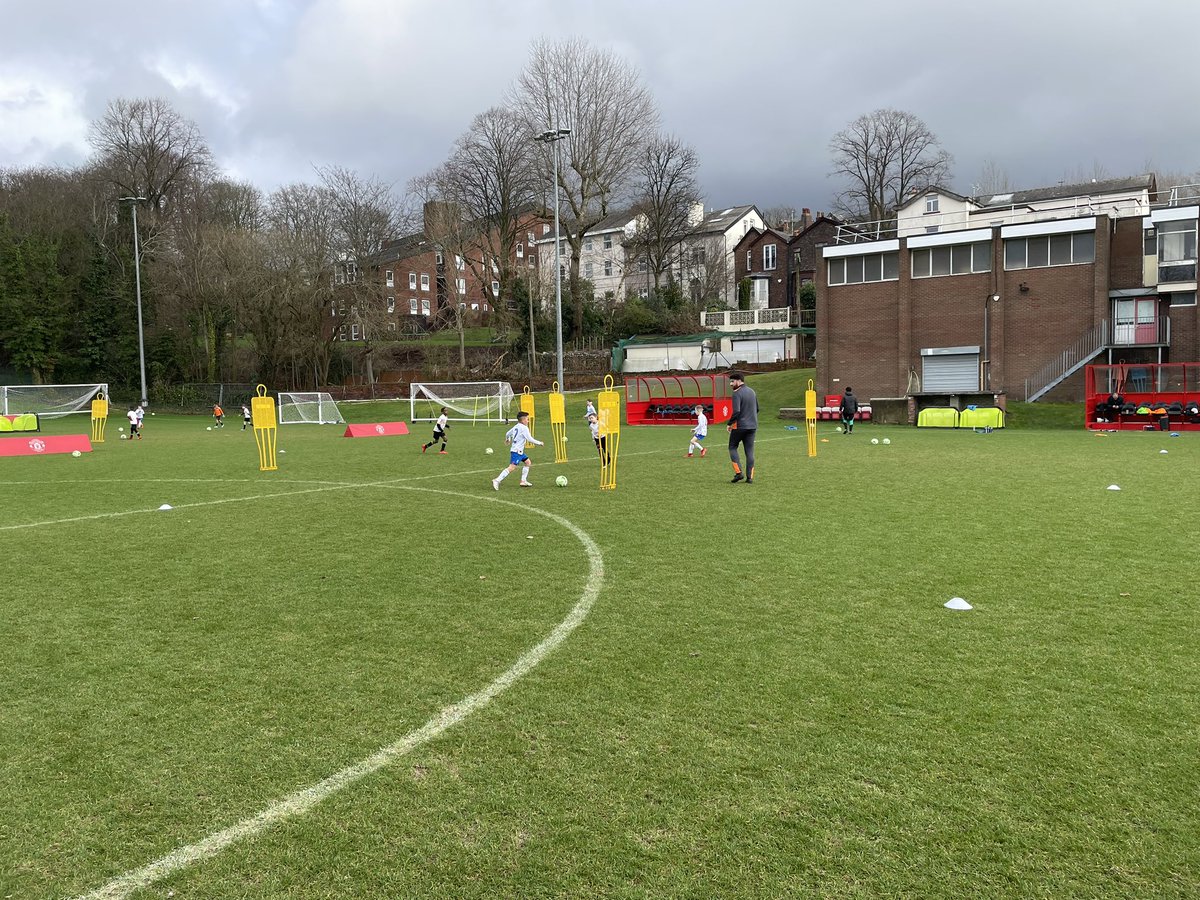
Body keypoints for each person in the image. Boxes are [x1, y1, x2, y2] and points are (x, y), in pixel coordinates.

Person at [492, 410, 544, 489]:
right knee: (512, 467)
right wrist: (539, 443)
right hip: (517, 452)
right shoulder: (524, 428)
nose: (528, 421)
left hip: (519, 451)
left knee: (528, 462)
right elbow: (529, 439)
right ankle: (497, 480)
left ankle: (523, 481)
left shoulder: (516, 426)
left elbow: (507, 433)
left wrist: (507, 439)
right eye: (527, 419)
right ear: (523, 420)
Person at [726, 371, 758, 484]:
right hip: (753, 426)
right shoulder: (752, 392)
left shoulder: (736, 393)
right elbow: (757, 409)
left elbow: (737, 411)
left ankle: (739, 473)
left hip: (740, 426)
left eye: (732, 381)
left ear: (739, 381)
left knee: (732, 447)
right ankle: (750, 477)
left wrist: (729, 423)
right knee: (749, 451)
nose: (731, 384)